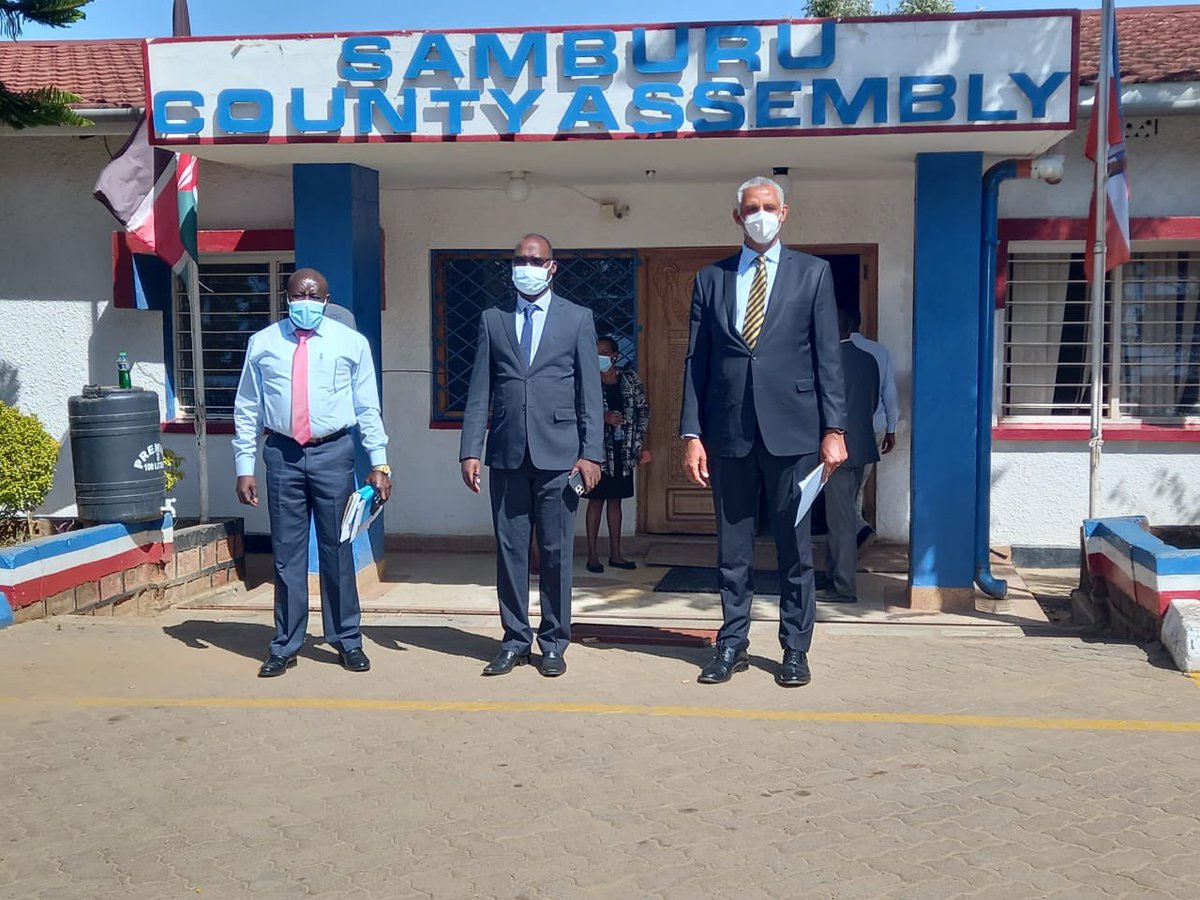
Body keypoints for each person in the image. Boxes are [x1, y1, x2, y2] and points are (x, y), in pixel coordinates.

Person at [680, 176, 847, 688]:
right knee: (732, 549)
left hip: (794, 434)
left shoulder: (813, 274)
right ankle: (731, 644)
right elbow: (696, 361)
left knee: (794, 548)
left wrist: (834, 428)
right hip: (728, 433)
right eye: (750, 207)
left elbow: (828, 358)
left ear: (785, 212)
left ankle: (795, 649)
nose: (759, 214)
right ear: (737, 217)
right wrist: (691, 433)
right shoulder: (711, 279)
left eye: (767, 206)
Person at [233, 268, 391, 678]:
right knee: (287, 556)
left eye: (314, 295)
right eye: (299, 294)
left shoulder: (350, 343)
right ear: (286, 298)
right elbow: (247, 407)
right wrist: (243, 466)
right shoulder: (263, 343)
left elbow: (367, 407)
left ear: (326, 298)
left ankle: (347, 640)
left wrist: (379, 462)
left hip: (333, 453)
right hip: (283, 455)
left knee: (339, 549)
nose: (307, 301)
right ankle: (285, 643)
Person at [459, 234, 603, 679]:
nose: (526, 266)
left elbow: (590, 394)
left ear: (552, 267)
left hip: (560, 457)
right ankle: (515, 639)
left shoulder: (577, 319)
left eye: (535, 260)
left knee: (557, 553)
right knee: (511, 552)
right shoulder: (492, 319)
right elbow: (479, 390)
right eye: (520, 260)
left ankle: (555, 642)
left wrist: (591, 453)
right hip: (506, 454)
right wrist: (470, 450)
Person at [821, 309, 882, 604]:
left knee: (841, 520)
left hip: (837, 450)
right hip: (863, 446)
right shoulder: (869, 360)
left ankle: (843, 585)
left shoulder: (827, 363)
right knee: (844, 514)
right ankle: (833, 572)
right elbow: (872, 403)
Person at [584, 335, 651, 574]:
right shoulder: (587, 380)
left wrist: (639, 442)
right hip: (597, 453)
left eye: (603, 353)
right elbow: (577, 411)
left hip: (624, 451)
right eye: (595, 353)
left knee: (616, 502)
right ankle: (592, 555)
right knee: (596, 502)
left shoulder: (629, 378)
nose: (599, 358)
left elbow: (643, 410)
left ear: (614, 356)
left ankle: (616, 554)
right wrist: (604, 417)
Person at [847, 309, 898, 548]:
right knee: (859, 484)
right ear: (860, 323)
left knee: (839, 489)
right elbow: (889, 393)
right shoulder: (879, 351)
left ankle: (860, 531)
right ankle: (856, 535)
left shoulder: (831, 349)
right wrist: (891, 428)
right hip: (874, 426)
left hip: (841, 430)